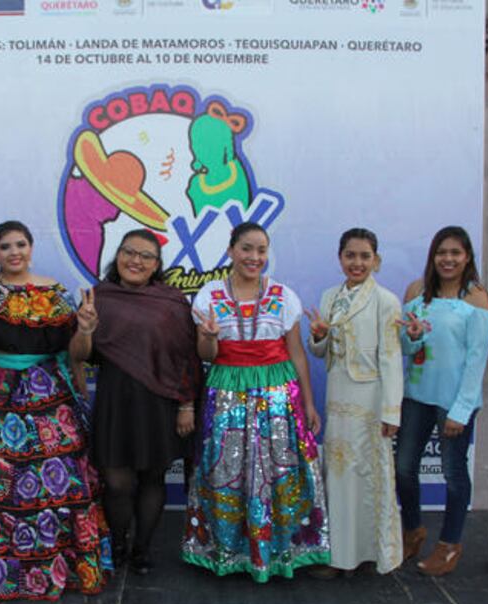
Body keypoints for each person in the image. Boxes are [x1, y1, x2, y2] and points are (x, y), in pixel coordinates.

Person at [0, 220, 112, 602]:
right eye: (5, 246)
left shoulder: (58, 293)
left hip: (50, 393)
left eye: (20, 244)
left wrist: (85, 329)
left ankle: (57, 566)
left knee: (57, 481)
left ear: (31, 247)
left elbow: (76, 352)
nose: (14, 252)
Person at [182, 222, 330, 582]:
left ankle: (281, 551)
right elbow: (205, 354)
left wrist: (308, 403)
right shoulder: (209, 295)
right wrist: (210, 337)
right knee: (226, 471)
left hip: (277, 394)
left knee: (278, 473)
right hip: (227, 390)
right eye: (247, 248)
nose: (254, 257)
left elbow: (297, 354)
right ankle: (228, 551)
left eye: (261, 250)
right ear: (231, 251)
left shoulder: (283, 295)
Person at [69, 229, 201, 574]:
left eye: (146, 256)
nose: (136, 261)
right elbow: (78, 355)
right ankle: (117, 544)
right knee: (117, 482)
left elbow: (187, 356)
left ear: (157, 265)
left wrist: (187, 404)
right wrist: (84, 329)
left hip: (160, 403)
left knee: (153, 479)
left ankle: (142, 550)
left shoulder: (172, 302)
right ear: (118, 256)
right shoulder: (98, 297)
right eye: (129, 252)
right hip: (115, 400)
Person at [394, 226, 488, 577]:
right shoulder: (416, 292)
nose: (448, 259)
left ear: (467, 257)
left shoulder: (476, 297)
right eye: (441, 252)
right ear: (433, 256)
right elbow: (404, 348)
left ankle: (450, 544)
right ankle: (413, 530)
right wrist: (414, 338)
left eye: (455, 253)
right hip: (416, 396)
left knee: (453, 476)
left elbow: (477, 359)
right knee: (403, 469)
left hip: (454, 403)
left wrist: (461, 410)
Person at [308, 228, 404, 576]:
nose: (357, 263)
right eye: (350, 255)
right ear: (340, 258)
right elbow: (320, 352)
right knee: (338, 476)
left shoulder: (386, 301)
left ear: (376, 260)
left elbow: (392, 358)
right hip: (338, 398)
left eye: (365, 256)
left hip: (371, 402)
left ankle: (369, 554)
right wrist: (318, 336)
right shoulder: (329, 296)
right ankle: (337, 557)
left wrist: (392, 409)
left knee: (368, 476)